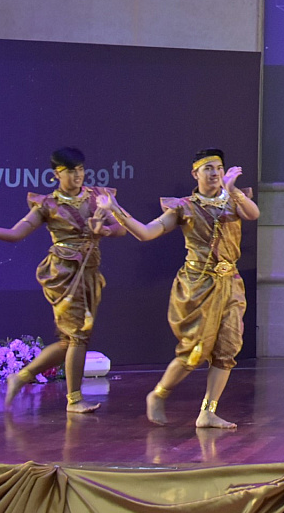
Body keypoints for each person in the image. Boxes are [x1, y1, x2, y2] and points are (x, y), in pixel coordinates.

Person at [0, 147, 131, 413]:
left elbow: (121, 227)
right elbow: (15, 233)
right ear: (56, 174)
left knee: (68, 341)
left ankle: (21, 377)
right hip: (63, 275)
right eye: (70, 171)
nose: (78, 175)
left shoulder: (97, 197)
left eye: (80, 169)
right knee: (78, 337)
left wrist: (104, 231)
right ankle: (74, 399)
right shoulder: (47, 205)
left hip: (89, 272)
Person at [111, 149, 259, 429]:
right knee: (195, 351)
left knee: (227, 349)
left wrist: (232, 189)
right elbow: (145, 233)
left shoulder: (234, 199)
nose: (214, 173)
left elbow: (253, 214)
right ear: (195, 174)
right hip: (198, 285)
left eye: (218, 168)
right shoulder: (183, 207)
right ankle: (158, 394)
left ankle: (208, 412)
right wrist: (114, 209)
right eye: (208, 168)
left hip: (231, 284)